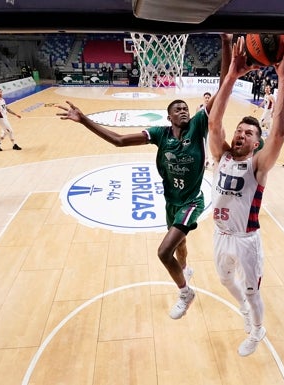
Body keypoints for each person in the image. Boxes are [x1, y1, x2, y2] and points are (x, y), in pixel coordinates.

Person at [56, 35, 233, 320]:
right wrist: (84, 120)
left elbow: (223, 89)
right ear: (169, 117)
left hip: (191, 202)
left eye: (185, 108)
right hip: (171, 202)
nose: (183, 110)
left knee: (164, 252)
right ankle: (186, 268)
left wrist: (226, 44)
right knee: (181, 245)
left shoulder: (198, 125)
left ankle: (185, 292)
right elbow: (117, 140)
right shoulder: (160, 134)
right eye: (177, 109)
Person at [207, 35, 284, 356]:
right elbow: (215, 121)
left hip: (246, 240)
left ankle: (257, 330)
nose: (241, 134)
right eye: (239, 131)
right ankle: (244, 309)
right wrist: (230, 75)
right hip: (219, 234)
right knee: (225, 281)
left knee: (252, 292)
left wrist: (283, 76)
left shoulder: (258, 166)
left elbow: (281, 131)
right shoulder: (222, 156)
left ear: (257, 143)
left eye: (249, 133)